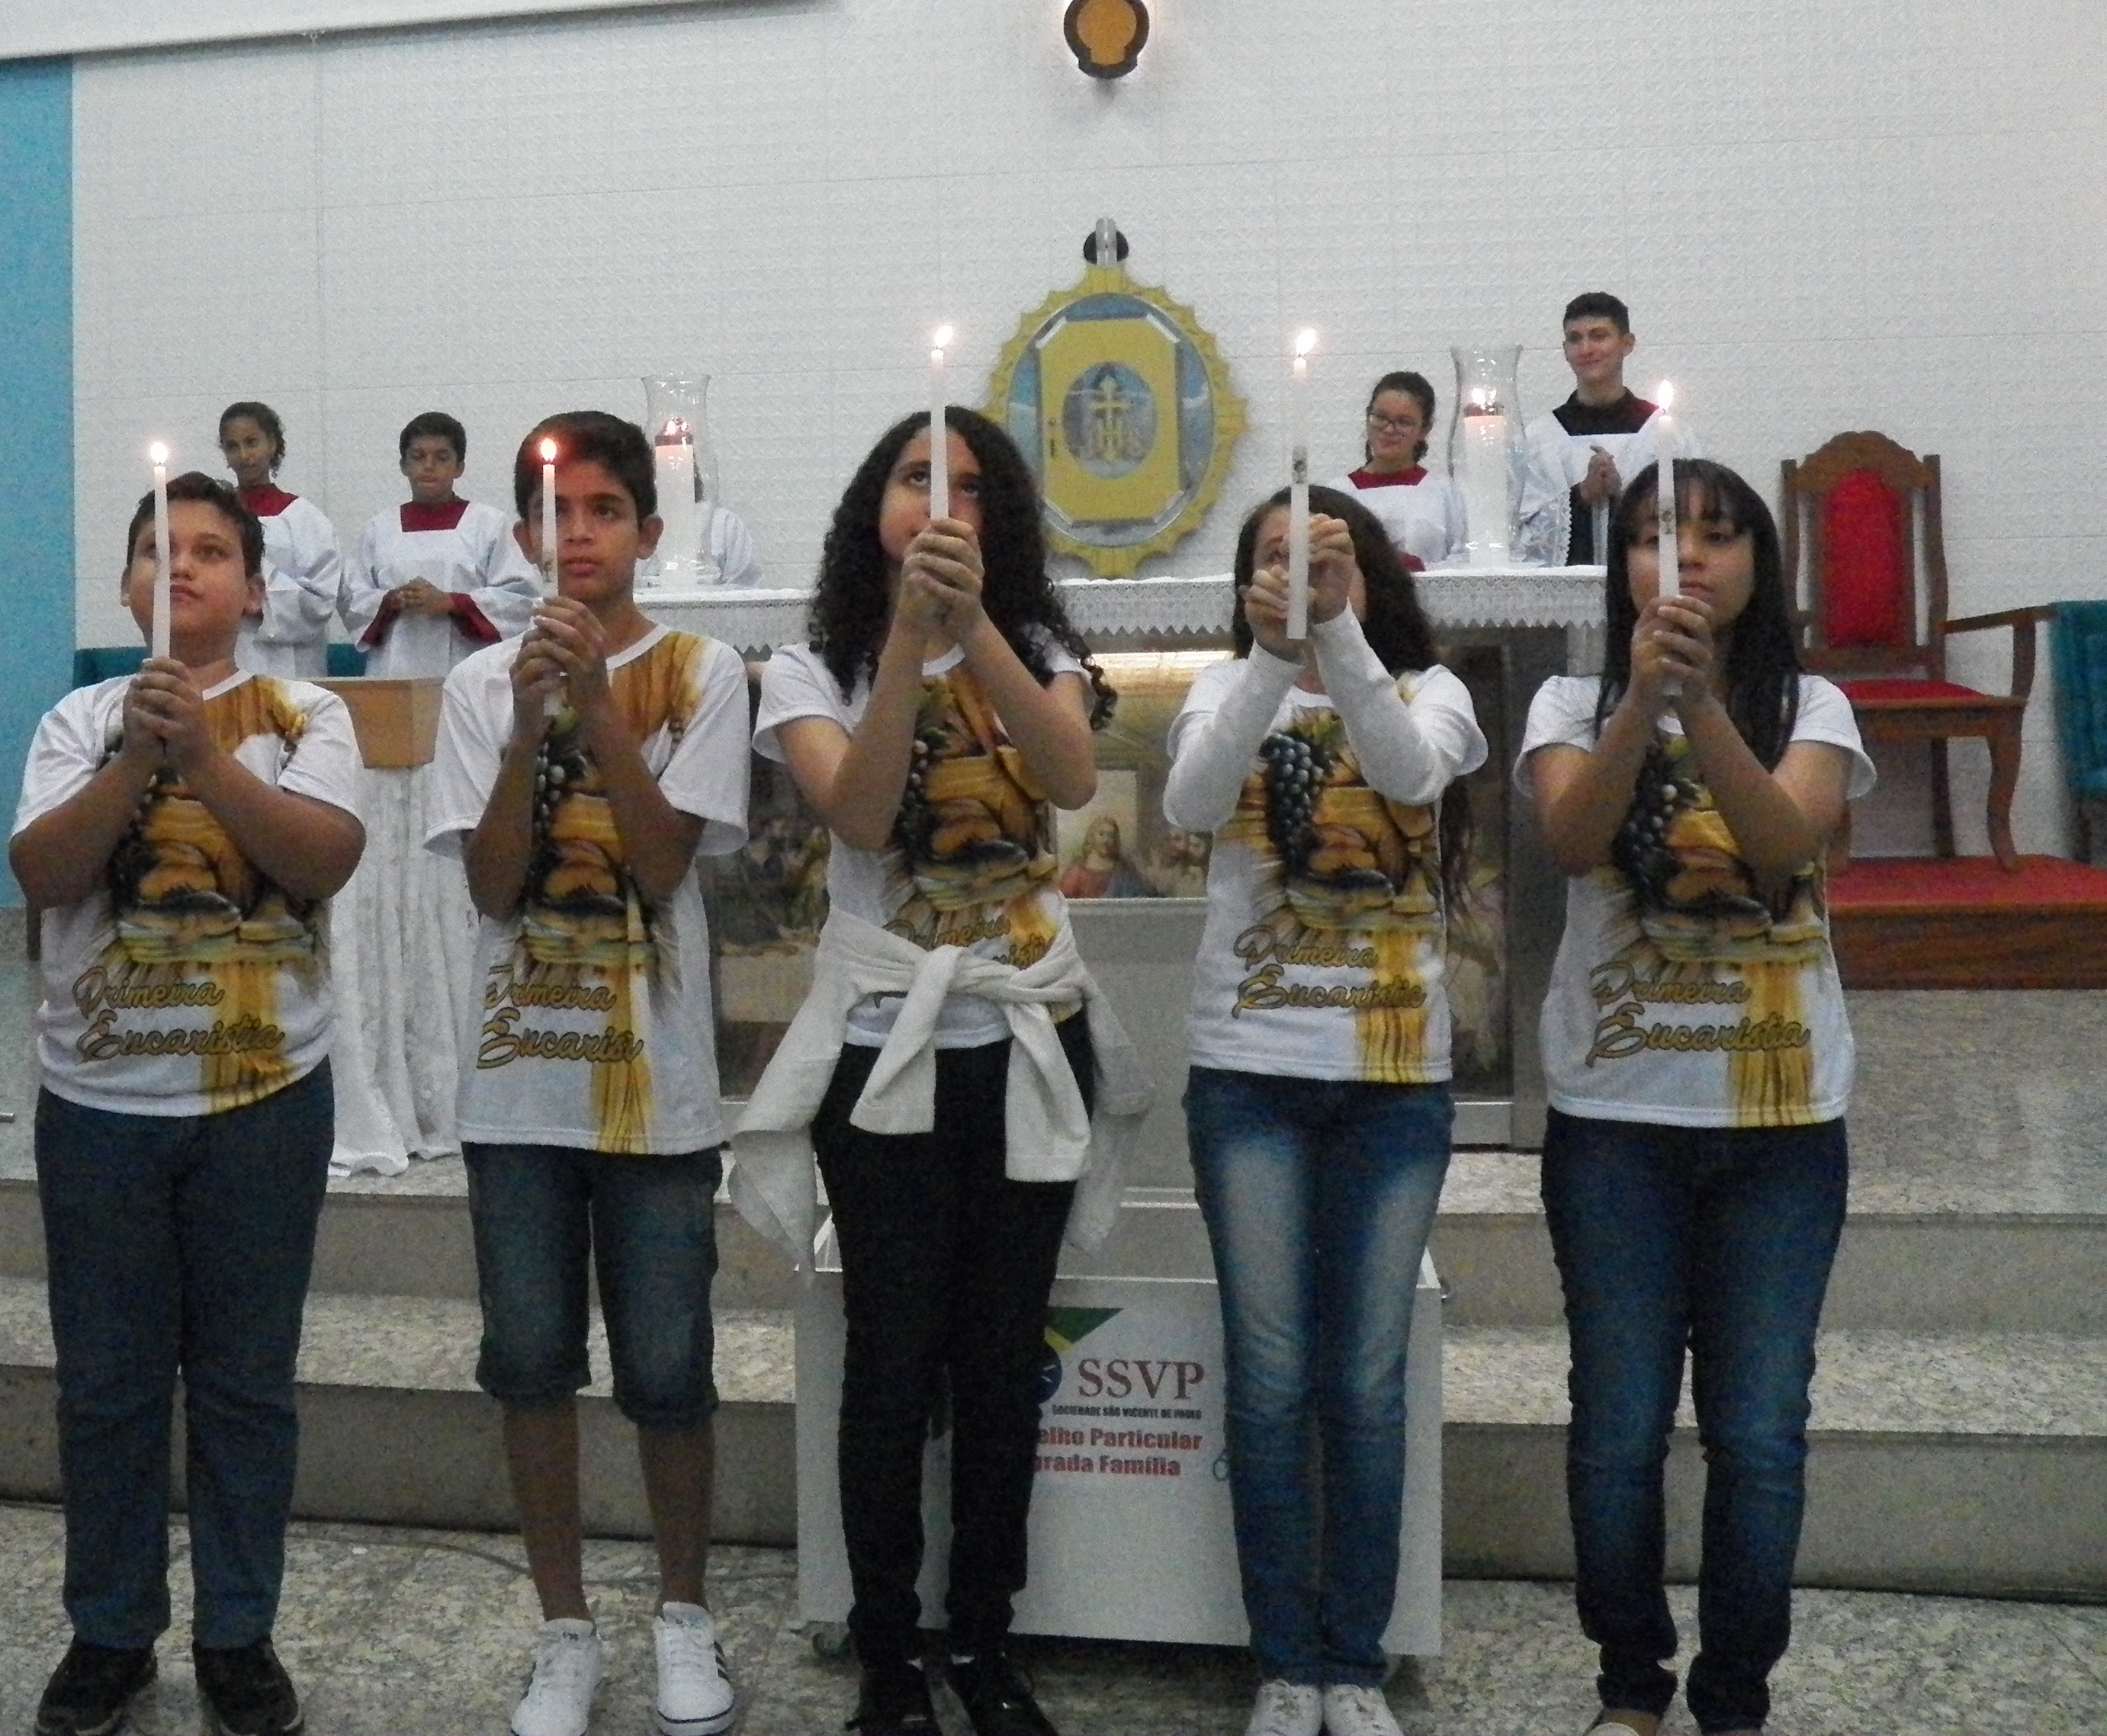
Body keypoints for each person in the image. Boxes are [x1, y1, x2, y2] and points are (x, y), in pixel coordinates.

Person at [731, 406, 1148, 1736]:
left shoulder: (1038, 651)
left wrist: (975, 633)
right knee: (893, 1358)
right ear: (877, 508)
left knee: (1002, 1356)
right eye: (918, 477)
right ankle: (887, 1651)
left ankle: (983, 1637)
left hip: (1022, 1038)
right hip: (885, 1054)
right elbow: (860, 815)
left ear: (1000, 521)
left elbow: (1070, 778)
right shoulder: (814, 668)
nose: (942, 501)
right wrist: (912, 642)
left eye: (970, 485)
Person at [11, 472, 368, 1736]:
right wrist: (135, 759)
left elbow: (323, 857)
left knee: (244, 1383)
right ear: (126, 586)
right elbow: (44, 872)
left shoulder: (307, 712)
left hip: (262, 1097)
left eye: (213, 551)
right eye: (157, 549)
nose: (183, 568)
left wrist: (206, 757)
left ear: (255, 591)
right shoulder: (78, 719)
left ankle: (238, 1634)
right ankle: (110, 1631)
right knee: (107, 1384)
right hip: (101, 1100)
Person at [1521, 460, 1871, 1736]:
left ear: (1758, 567)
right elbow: (1572, 842)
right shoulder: (1568, 701)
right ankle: (1631, 1683)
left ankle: (1734, 1697)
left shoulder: (1811, 704)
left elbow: (1783, 845)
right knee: (1617, 1429)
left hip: (1779, 1127)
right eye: (1656, 537)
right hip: (1617, 1119)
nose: (1688, 559)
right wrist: (1641, 705)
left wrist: (1704, 706)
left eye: (1718, 537)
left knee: (1760, 1434)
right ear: (1620, 572)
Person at [426, 412, 752, 1736]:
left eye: (606, 511)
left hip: (655, 1086)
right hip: (521, 1090)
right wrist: (526, 725)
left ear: (648, 533)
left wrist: (601, 708)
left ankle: (684, 1610)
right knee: (529, 1361)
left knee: (669, 1368)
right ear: (521, 536)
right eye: (556, 514)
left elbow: (665, 864)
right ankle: (563, 1627)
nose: (580, 536)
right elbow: (494, 888)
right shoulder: (475, 686)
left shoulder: (701, 670)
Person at [1158, 488, 1488, 1736]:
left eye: (1323, 555)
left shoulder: (1433, 691)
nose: (1297, 572)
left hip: (1393, 1084)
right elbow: (1193, 806)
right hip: (1250, 1074)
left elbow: (1406, 776)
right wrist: (1270, 658)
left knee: (1365, 1380)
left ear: (1370, 572)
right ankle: (1285, 1663)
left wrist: (1337, 635)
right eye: (1275, 557)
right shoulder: (1220, 686)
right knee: (1271, 1377)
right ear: (1244, 580)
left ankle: (1355, 1660)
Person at [342, 409, 543, 679]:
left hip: (470, 670)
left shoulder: (488, 524)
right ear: (403, 465)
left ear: (459, 467)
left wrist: (451, 602)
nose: (429, 466)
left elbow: (520, 600)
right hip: (393, 670)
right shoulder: (379, 529)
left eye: (442, 457)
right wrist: (391, 600)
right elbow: (352, 600)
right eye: (418, 457)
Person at [1516, 293, 1696, 566]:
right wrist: (1581, 496)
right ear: (1565, 350)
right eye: (1575, 339)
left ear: (1627, 344)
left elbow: (1692, 518)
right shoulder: (1540, 438)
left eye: (1599, 336)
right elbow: (1519, 536)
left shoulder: (1668, 434)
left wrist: (1623, 496)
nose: (1586, 349)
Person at [217, 401, 343, 679]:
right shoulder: (215, 516)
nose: (244, 455)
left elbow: (320, 601)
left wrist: (251, 591)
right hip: (227, 654)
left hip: (289, 664)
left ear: (272, 444)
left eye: (252, 442)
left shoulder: (304, 519)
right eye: (232, 446)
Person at [1345, 371, 1466, 570]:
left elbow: (1464, 560)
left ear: (1424, 430)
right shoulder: (1340, 492)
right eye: (1380, 417)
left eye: (1403, 422)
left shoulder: (1444, 493)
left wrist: (1417, 567)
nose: (1388, 430)